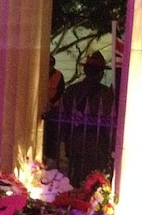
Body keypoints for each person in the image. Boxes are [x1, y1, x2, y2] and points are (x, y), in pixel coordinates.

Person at [60, 51, 114, 184]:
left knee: (77, 178)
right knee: (93, 180)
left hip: (79, 141)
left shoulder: (72, 90)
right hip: (95, 143)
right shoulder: (105, 93)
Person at [42, 54, 66, 165]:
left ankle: (51, 155)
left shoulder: (58, 75)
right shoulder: (41, 73)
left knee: (53, 133)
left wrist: (51, 102)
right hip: (42, 107)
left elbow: (60, 90)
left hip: (54, 108)